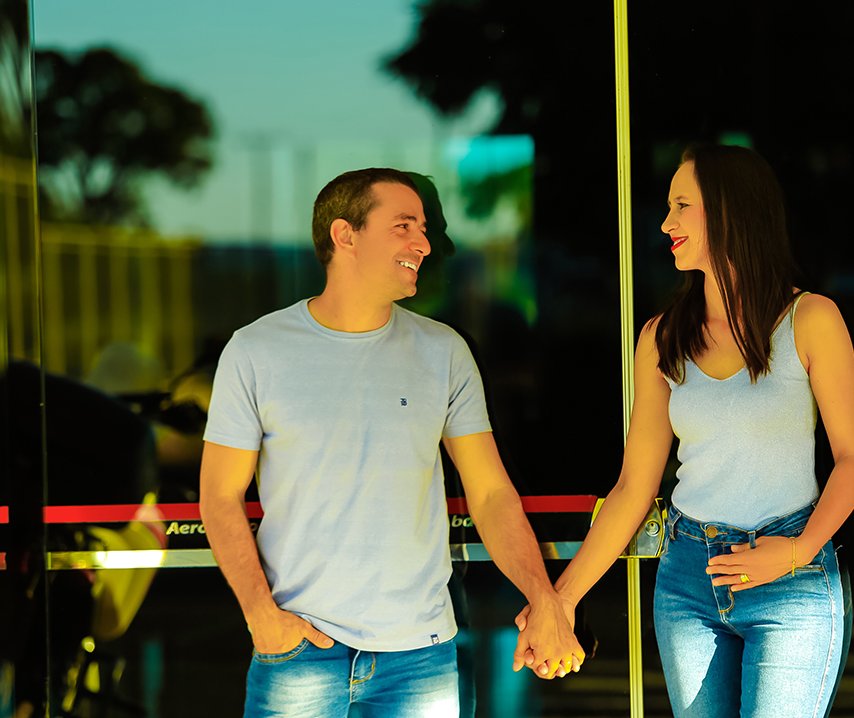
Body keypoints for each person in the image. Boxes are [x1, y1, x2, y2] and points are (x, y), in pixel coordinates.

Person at [199, 167, 584, 718]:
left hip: (419, 660)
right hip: (299, 651)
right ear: (345, 235)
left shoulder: (443, 352)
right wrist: (261, 616)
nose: (423, 244)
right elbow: (219, 496)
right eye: (403, 226)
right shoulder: (255, 351)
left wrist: (543, 597)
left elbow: (491, 494)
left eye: (423, 229)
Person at [515, 145, 854, 716]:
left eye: (682, 205)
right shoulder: (661, 338)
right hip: (688, 580)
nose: (665, 223)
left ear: (731, 211)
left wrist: (798, 550)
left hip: (789, 576)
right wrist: (560, 600)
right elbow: (633, 487)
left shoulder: (811, 319)